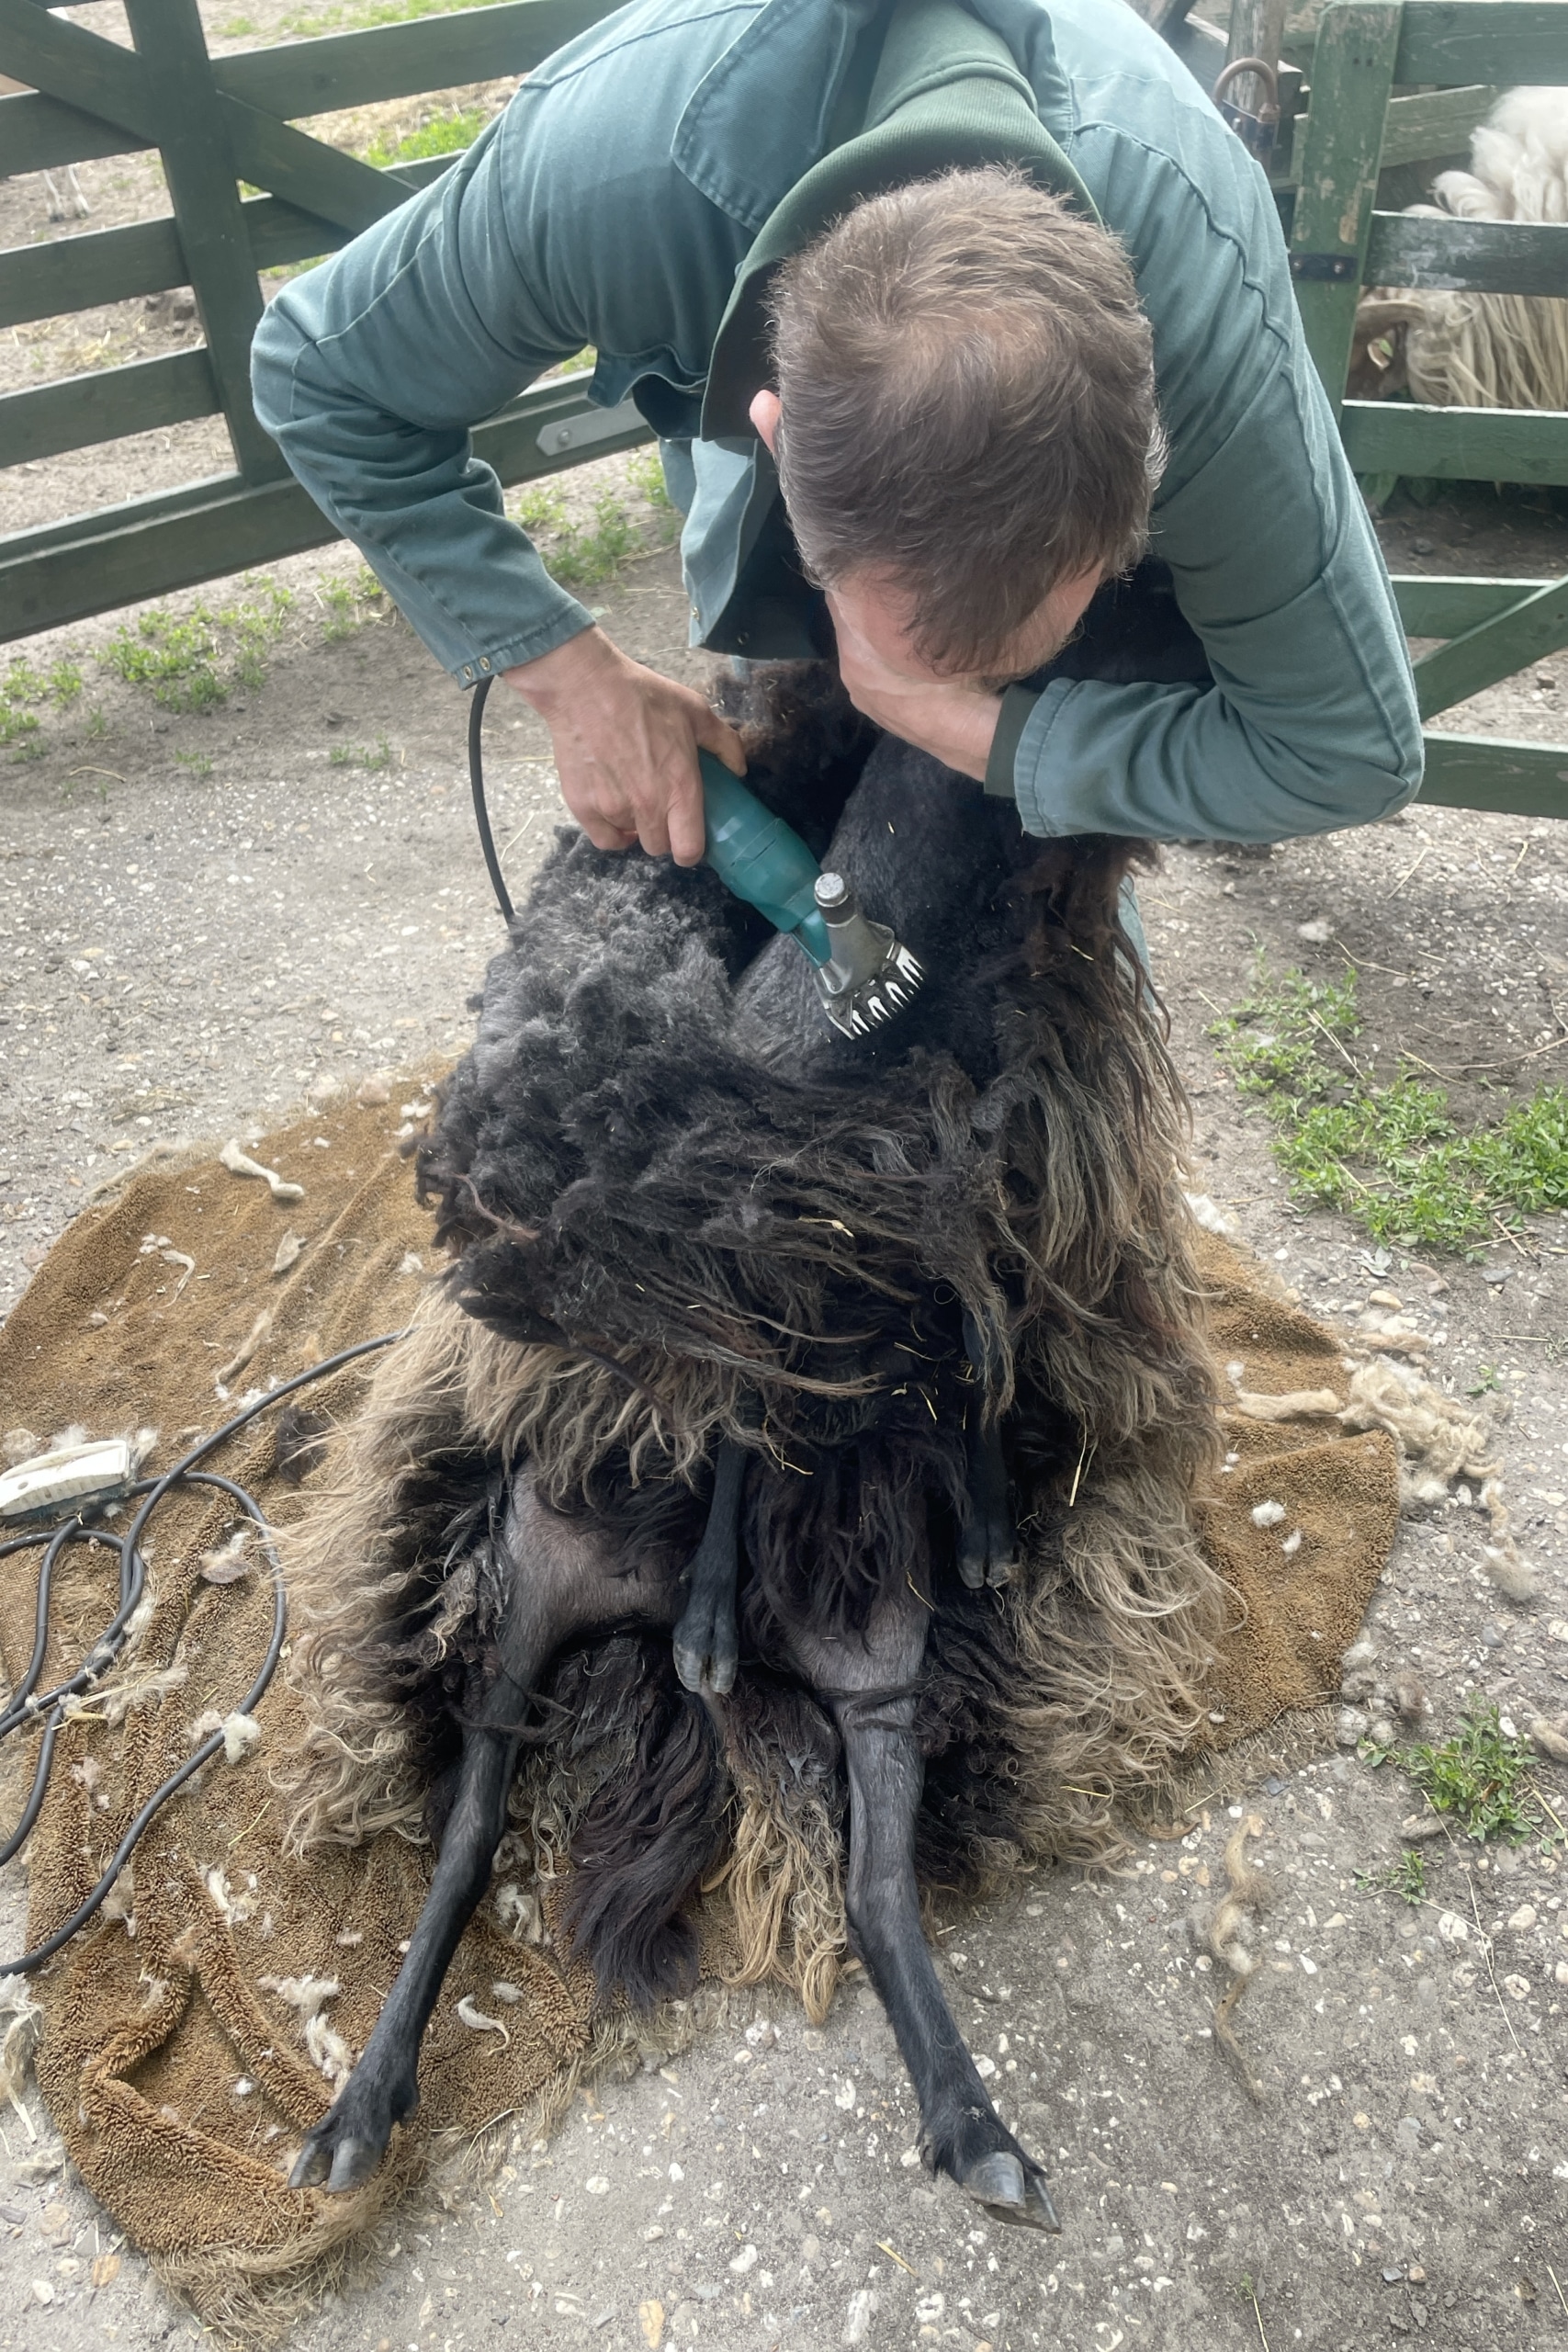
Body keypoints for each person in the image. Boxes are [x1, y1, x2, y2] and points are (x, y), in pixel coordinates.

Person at [251, 0, 1422, 871]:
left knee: (1031, 885)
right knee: (806, 727)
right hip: (707, 235)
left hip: (1137, 290)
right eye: (896, 639)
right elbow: (319, 374)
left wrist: (1002, 738)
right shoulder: (595, 188)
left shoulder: (1208, 341)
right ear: (767, 430)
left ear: (1151, 478)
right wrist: (570, 676)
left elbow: (1349, 750)